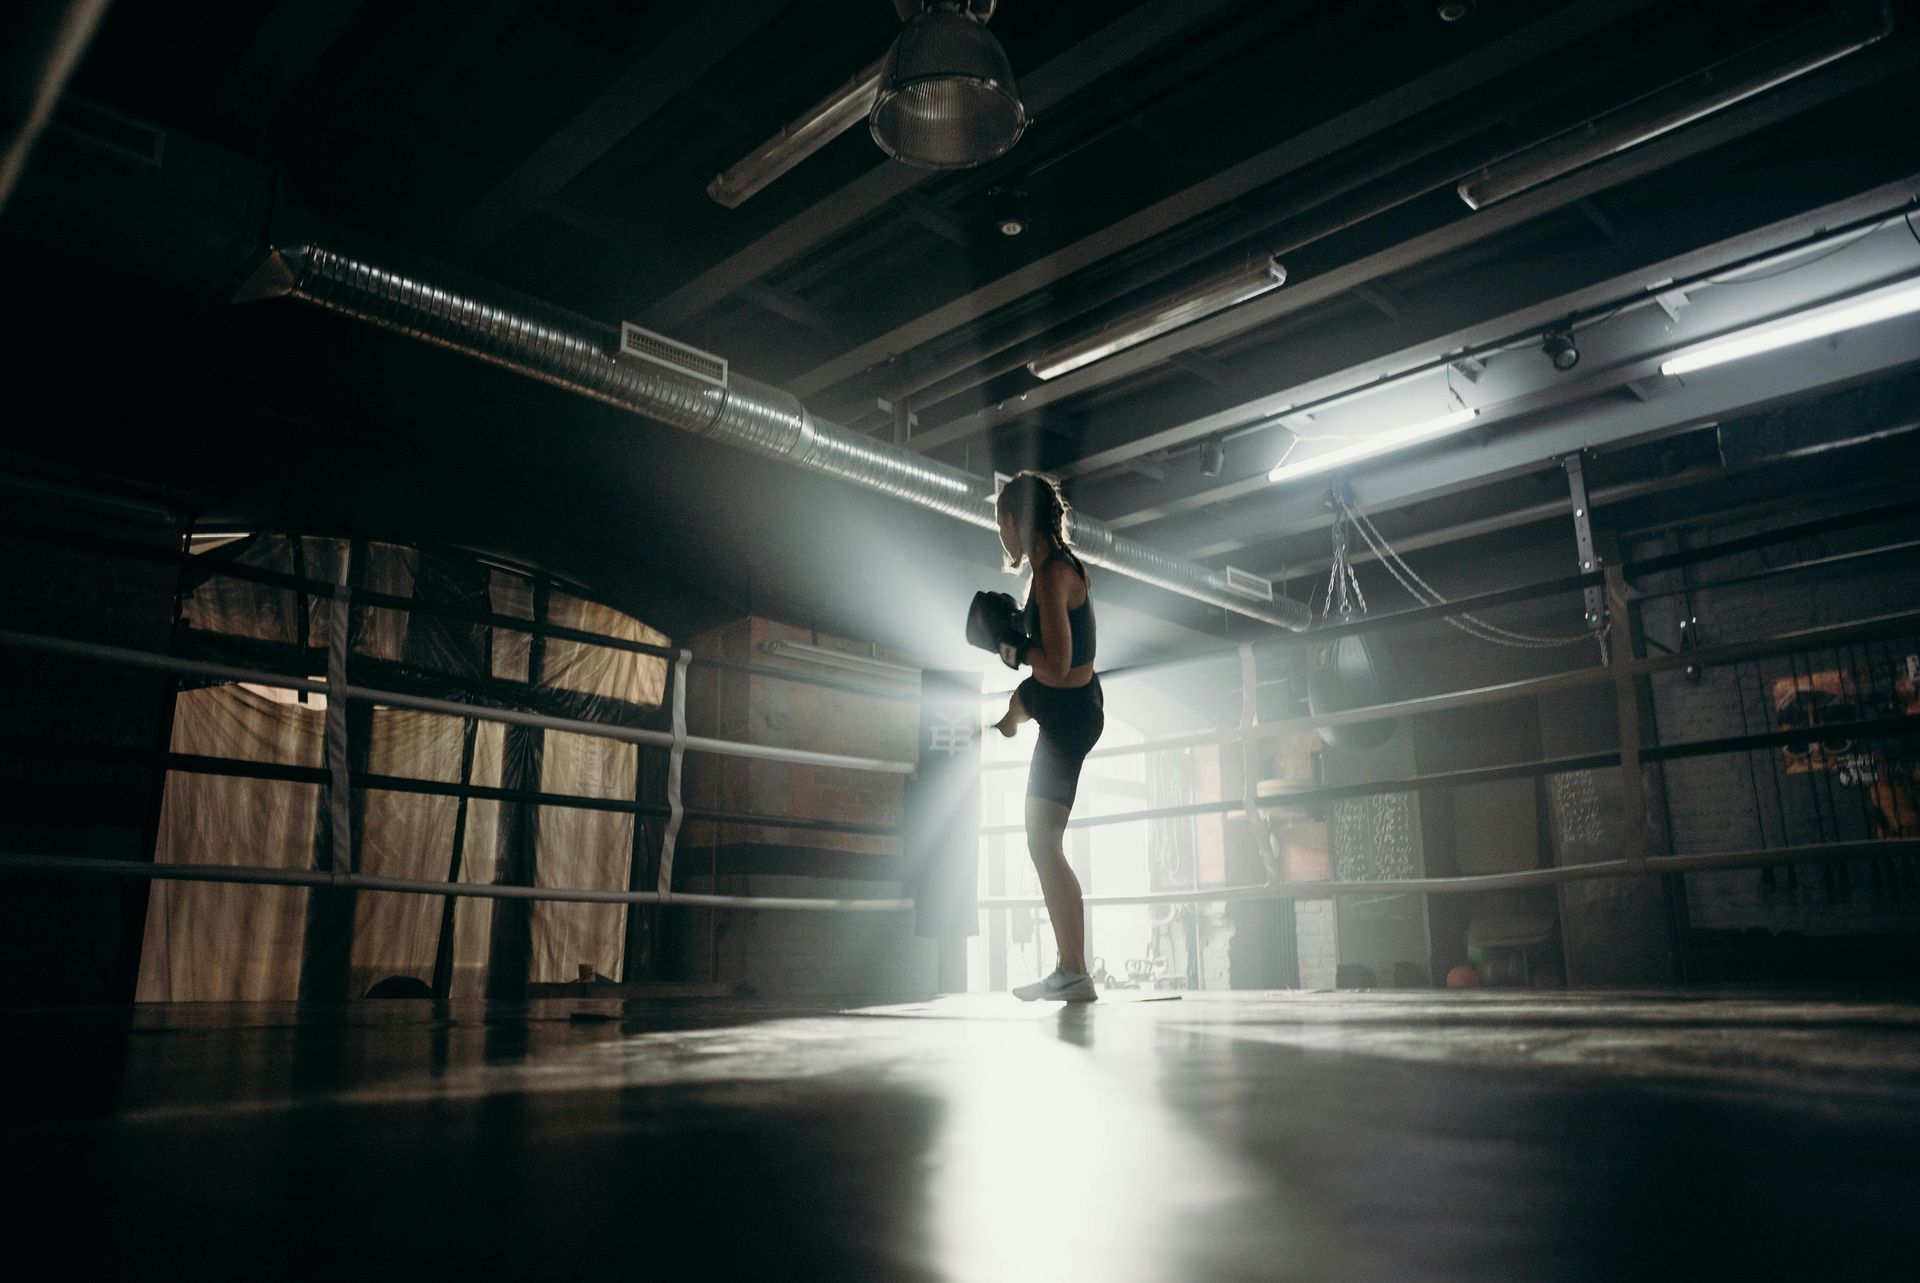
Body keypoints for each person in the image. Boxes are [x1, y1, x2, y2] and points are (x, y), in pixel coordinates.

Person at [991, 472, 1103, 1002]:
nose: (1001, 536)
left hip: (1071, 712)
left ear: (1017, 521)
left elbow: (1059, 666)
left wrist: (1015, 650)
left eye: (1002, 524)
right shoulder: (1043, 576)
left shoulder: (1056, 574)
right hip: (1063, 709)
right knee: (1042, 841)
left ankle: (1073, 969)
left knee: (1043, 841)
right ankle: (1070, 968)